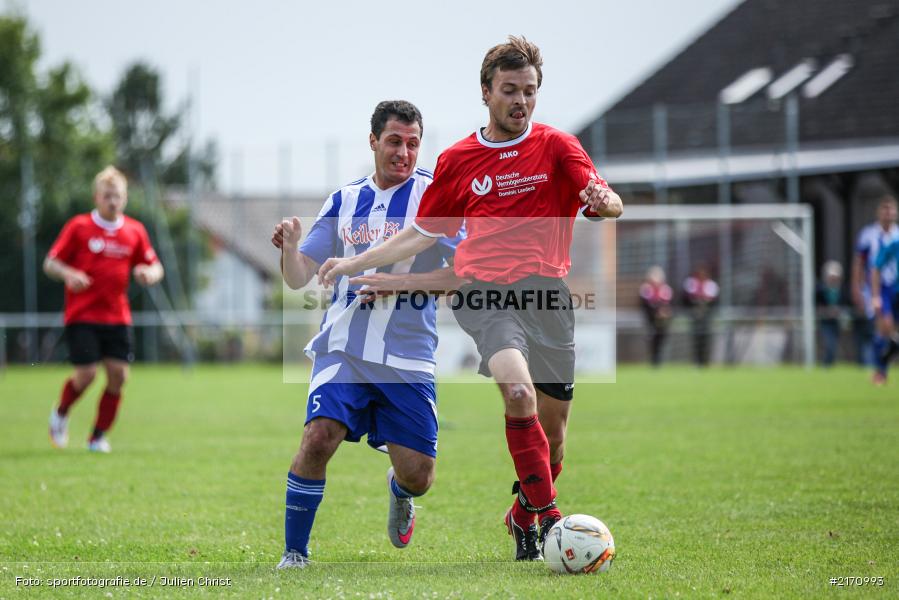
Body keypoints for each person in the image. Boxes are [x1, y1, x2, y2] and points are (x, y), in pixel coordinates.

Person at [317, 36, 623, 561]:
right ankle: (550, 523)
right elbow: (420, 233)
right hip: (485, 295)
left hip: (547, 296)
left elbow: (605, 199)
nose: (520, 101)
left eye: (529, 91)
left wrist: (606, 201)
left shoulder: (558, 147)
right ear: (486, 92)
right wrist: (354, 262)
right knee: (519, 394)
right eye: (509, 90)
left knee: (554, 444)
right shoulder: (459, 159)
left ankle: (523, 512)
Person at [271, 100, 464, 569]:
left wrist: (395, 283)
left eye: (413, 144)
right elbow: (299, 278)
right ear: (373, 140)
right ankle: (294, 554)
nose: (404, 152)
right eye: (395, 141)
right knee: (318, 438)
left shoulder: (434, 199)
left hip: (408, 354)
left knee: (419, 476)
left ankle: (400, 491)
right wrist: (292, 248)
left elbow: (463, 273)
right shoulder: (344, 200)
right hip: (345, 348)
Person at [45, 166, 164, 453]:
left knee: (119, 377)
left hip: (117, 316)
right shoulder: (79, 226)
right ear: (97, 197)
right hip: (83, 314)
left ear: (124, 198)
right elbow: (50, 263)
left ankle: (97, 437)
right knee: (86, 376)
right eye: (107, 195)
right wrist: (69, 274)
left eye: (118, 196)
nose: (113, 201)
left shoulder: (135, 231)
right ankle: (60, 414)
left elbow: (156, 265)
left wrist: (149, 273)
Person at [852, 195, 898, 382]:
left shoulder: (896, 235)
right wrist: (858, 287)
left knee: (889, 332)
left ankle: (889, 355)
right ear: (879, 212)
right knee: (884, 326)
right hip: (879, 288)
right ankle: (881, 370)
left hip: (896, 286)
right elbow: (864, 264)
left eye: (891, 209)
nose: (888, 213)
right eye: (884, 209)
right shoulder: (868, 234)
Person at [682, 267, 719, 367]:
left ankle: (705, 361)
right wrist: (695, 306)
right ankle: (696, 361)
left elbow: (714, 301)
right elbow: (685, 299)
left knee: (706, 339)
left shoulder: (711, 285)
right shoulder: (691, 284)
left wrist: (706, 307)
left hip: (706, 316)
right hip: (695, 316)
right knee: (696, 339)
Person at [639, 266, 673, 367]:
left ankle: (658, 359)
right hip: (650, 319)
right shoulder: (646, 288)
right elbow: (644, 304)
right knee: (652, 338)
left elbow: (668, 304)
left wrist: (664, 312)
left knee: (661, 338)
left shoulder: (666, 289)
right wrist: (656, 312)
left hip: (663, 320)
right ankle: (653, 360)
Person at [815, 261, 846, 367]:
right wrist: (827, 311)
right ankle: (826, 366)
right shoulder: (820, 289)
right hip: (825, 322)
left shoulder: (841, 290)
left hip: (836, 322)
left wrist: (838, 311)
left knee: (834, 345)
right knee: (829, 344)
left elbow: (845, 303)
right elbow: (816, 305)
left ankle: (829, 365)